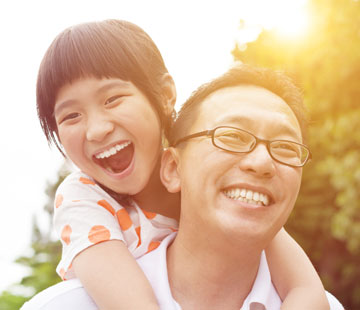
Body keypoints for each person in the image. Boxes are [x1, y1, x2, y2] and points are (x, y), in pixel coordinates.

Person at [22, 20, 333, 309]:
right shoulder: (83, 200)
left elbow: (306, 291)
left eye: (112, 99)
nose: (97, 129)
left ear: (166, 95)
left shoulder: (213, 180)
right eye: (70, 116)